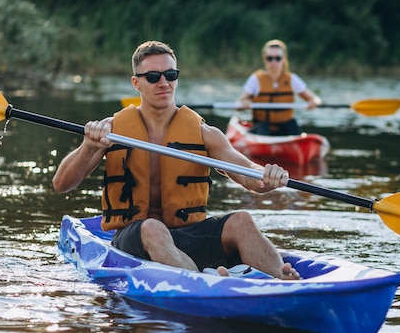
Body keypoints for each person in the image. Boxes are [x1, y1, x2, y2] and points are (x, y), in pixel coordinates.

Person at [52, 40, 300, 280]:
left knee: (241, 221)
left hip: (188, 235)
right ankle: (204, 282)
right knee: (152, 227)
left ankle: (283, 279)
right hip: (134, 237)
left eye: (170, 75)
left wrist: (267, 176)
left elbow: (249, 174)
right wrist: (88, 146)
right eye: (153, 77)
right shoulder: (111, 130)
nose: (164, 83)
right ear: (136, 83)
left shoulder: (205, 133)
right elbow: (62, 184)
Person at [237, 39, 322, 136]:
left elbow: (314, 98)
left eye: (277, 58)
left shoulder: (291, 79)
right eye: (270, 58)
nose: (273, 62)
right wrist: (244, 103)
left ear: (284, 59)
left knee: (293, 126)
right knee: (263, 129)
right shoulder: (255, 79)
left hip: (286, 124)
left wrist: (313, 102)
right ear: (265, 59)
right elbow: (239, 103)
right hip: (262, 125)